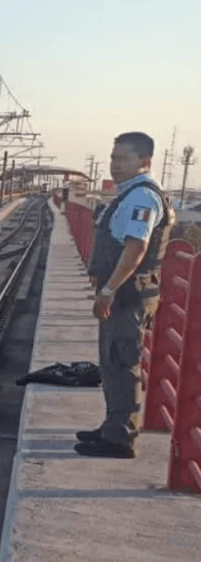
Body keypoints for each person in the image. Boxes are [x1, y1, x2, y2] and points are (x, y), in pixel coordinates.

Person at [76, 131, 174, 459]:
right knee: (112, 362)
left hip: (128, 293)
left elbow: (136, 247)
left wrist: (108, 290)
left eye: (123, 159)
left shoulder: (143, 197)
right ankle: (112, 426)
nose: (114, 165)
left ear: (143, 161)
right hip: (123, 292)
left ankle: (120, 439)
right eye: (113, 158)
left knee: (122, 361)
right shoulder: (129, 194)